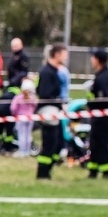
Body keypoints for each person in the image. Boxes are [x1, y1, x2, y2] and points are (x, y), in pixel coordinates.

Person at [85, 48, 108, 179]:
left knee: (101, 143)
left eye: (93, 57)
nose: (91, 60)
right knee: (94, 142)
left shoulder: (103, 77)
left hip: (102, 115)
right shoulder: (106, 74)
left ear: (98, 59)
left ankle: (106, 170)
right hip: (102, 115)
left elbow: (104, 97)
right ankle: (93, 169)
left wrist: (91, 100)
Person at [35, 44, 69, 179]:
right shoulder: (47, 72)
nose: (66, 57)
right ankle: (42, 172)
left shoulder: (54, 71)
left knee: (59, 142)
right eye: (64, 54)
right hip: (49, 111)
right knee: (49, 143)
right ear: (57, 54)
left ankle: (49, 168)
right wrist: (58, 101)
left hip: (56, 110)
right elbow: (44, 94)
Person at [13, 77, 38, 157]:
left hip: (21, 118)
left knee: (21, 135)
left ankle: (22, 151)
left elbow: (13, 108)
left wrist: (16, 114)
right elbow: (35, 106)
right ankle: (27, 151)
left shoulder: (18, 97)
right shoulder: (33, 97)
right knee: (28, 135)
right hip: (30, 118)